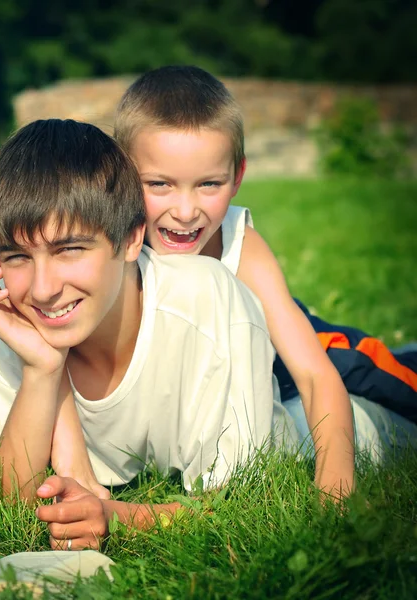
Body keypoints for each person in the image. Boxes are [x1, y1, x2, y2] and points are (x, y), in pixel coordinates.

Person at [0, 118, 291, 551]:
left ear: (131, 240)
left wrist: (116, 517)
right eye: (17, 256)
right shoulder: (7, 310)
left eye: (69, 250)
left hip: (297, 413)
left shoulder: (207, 299)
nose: (42, 289)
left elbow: (239, 507)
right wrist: (42, 370)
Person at [111, 65, 417, 496]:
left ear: (237, 177)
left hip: (300, 355)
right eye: (159, 184)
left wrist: (335, 485)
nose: (185, 210)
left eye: (208, 184)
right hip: (231, 378)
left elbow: (314, 374)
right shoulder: (110, 246)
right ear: (122, 176)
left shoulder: (239, 244)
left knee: (396, 381)